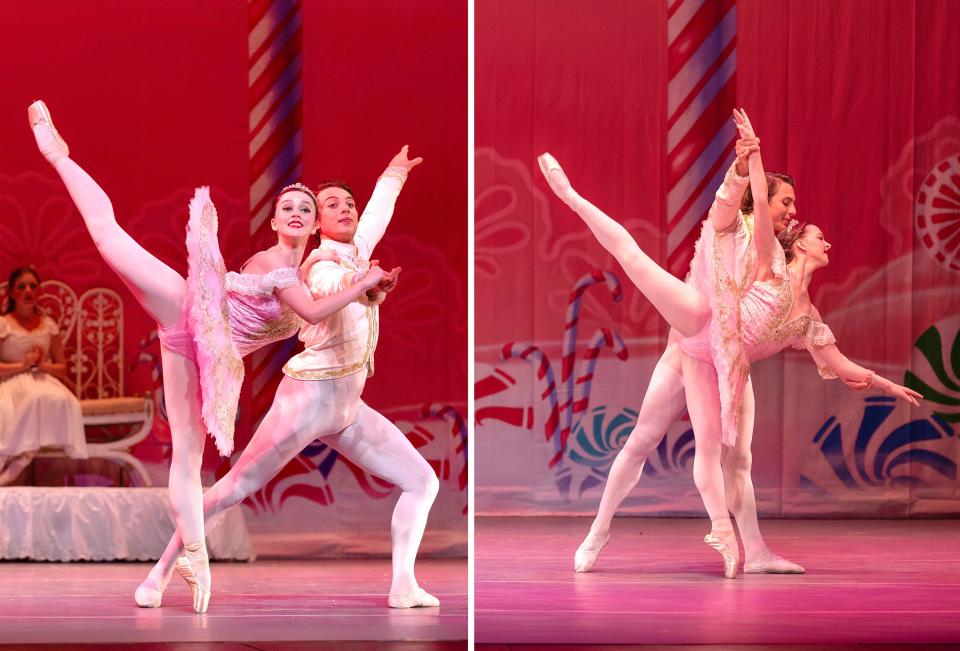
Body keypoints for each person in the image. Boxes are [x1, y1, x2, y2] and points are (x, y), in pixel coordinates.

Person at [29, 100, 386, 613]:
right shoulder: (274, 263)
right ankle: (59, 154)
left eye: (306, 210)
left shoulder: (317, 267)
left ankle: (192, 554)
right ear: (275, 221)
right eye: (288, 207)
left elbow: (329, 297)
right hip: (193, 314)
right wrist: (364, 285)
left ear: (314, 226)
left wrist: (368, 286)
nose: (296, 213)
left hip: (203, 359)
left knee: (189, 457)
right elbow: (311, 306)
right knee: (109, 235)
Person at [538, 108, 921, 577]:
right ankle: (598, 531)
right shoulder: (754, 243)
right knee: (642, 437)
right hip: (695, 333)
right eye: (789, 205)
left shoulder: (805, 313)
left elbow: (839, 364)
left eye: (796, 211)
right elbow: (749, 204)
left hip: (728, 362)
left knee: (736, 458)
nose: (794, 214)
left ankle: (754, 550)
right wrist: (747, 162)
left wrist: (887, 384)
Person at [135, 147, 441, 609]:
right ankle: (161, 571)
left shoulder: (358, 252)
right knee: (236, 488)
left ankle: (403, 586)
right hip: (308, 400)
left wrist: (394, 173)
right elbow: (328, 291)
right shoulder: (318, 266)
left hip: (346, 409)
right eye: (332, 205)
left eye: (348, 204)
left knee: (422, 481)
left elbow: (377, 212)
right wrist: (368, 287)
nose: (344, 210)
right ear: (318, 224)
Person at [0, 266, 86, 484]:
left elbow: (62, 368)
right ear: (11, 293)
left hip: (42, 379)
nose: (28, 291)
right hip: (12, 380)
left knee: (58, 399)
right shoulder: (3, 323)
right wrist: (23, 364)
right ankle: (9, 458)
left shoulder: (48, 325)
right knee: (28, 400)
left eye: (33, 286)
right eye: (22, 286)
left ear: (39, 291)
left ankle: (23, 455)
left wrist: (42, 364)